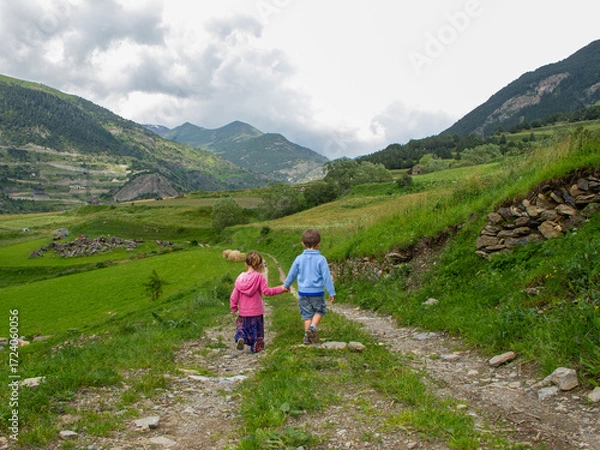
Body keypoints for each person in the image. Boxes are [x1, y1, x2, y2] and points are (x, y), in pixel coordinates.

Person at [284, 229, 336, 345]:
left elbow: (292, 274)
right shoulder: (321, 259)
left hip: (303, 292)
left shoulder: (299, 258)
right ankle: (312, 328)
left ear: (302, 243)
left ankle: (306, 338)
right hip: (317, 292)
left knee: (307, 315)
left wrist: (286, 285)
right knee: (320, 310)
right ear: (319, 244)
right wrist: (331, 292)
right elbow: (326, 277)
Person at [230, 251, 287, 353]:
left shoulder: (240, 278)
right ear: (260, 265)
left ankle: (241, 337)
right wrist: (281, 289)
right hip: (256, 312)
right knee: (256, 332)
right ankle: (256, 346)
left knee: (243, 328)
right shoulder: (259, 277)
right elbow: (267, 292)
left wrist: (234, 306)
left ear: (246, 264)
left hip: (243, 312)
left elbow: (234, 295)